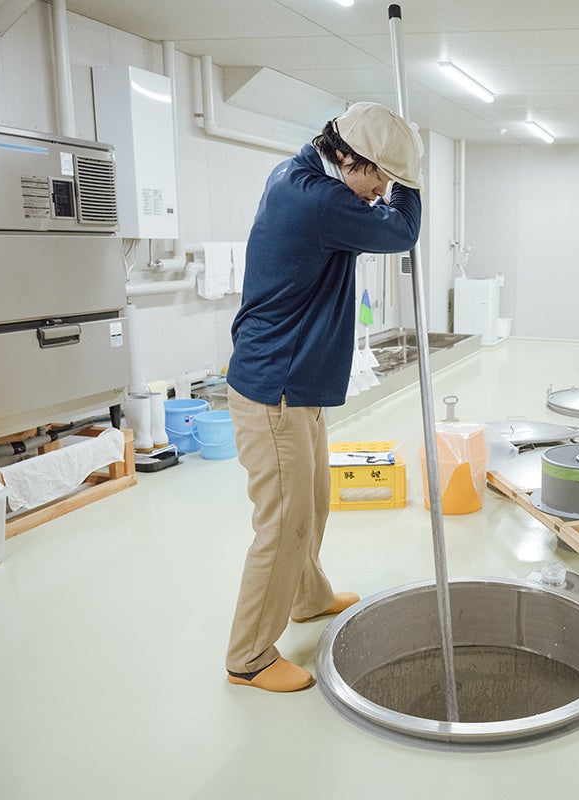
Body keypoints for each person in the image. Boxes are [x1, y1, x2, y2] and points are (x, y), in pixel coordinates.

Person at [224, 102, 422, 692]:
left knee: (312, 504)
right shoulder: (318, 200)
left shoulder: (301, 173)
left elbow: (377, 213)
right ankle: (249, 657)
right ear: (346, 156)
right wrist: (413, 184)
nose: (381, 192)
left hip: (295, 382)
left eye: (390, 181)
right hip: (276, 388)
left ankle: (307, 597)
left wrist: (396, 174)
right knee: (284, 523)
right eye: (379, 177)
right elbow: (402, 231)